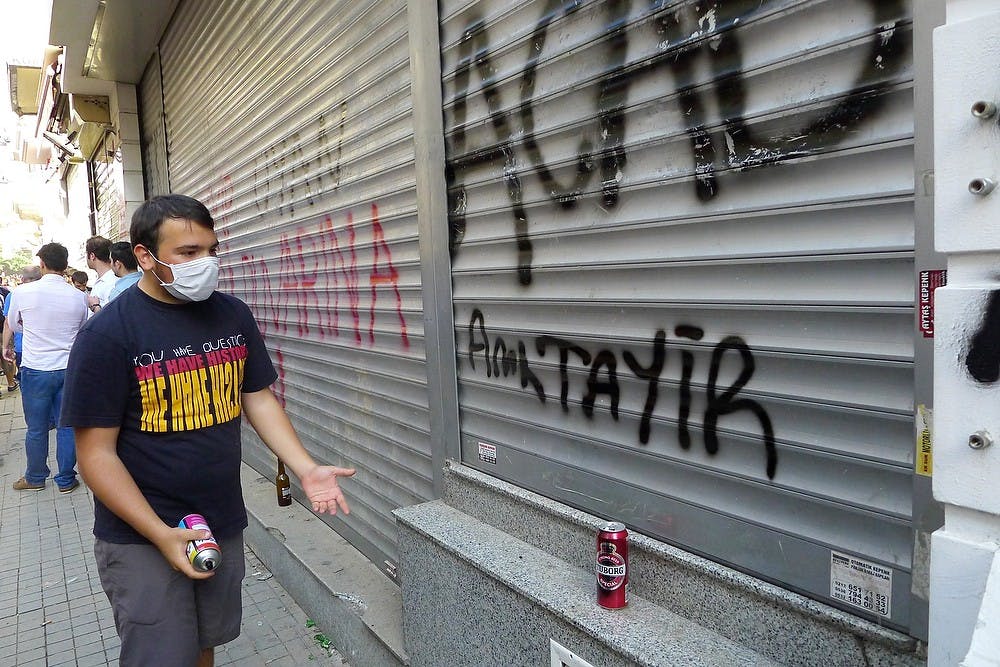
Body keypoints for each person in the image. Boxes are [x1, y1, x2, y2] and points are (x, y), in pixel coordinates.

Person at [61, 194, 355, 667]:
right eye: (188, 253)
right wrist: (159, 534)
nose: (206, 264)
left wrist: (305, 467)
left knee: (203, 644)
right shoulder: (108, 336)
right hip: (141, 535)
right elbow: (96, 456)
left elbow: (256, 397)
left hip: (219, 519)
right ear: (144, 257)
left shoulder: (231, 315)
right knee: (159, 656)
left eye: (211, 251)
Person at [3, 245, 88, 493]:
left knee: (37, 428)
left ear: (42, 264)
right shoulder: (78, 296)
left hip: (36, 369)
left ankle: (36, 477)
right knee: (66, 426)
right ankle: (65, 479)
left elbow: (14, 325)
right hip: (69, 369)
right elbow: (82, 328)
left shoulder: (23, 293)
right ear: (65, 264)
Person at [85, 236, 117, 314]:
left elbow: (110, 317)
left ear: (92, 256)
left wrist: (95, 306)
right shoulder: (102, 280)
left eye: (86, 254)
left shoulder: (111, 282)